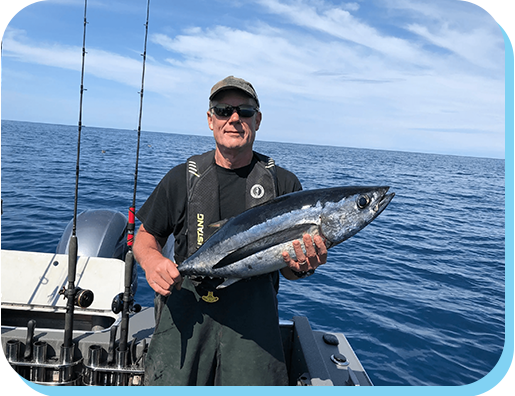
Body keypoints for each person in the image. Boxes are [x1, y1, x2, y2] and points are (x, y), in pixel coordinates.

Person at [133, 76, 327, 386]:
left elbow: (290, 270)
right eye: (223, 111)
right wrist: (152, 262)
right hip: (186, 317)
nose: (234, 118)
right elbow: (145, 236)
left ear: (258, 120)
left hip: (254, 327)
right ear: (211, 120)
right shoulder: (183, 178)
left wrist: (303, 267)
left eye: (245, 111)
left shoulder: (284, 185)